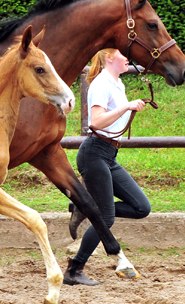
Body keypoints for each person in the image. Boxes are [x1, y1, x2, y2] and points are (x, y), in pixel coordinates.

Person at [64, 48, 151, 286]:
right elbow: (96, 121)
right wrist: (126, 107)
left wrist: (129, 106)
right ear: (109, 58)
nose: (129, 59)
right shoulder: (101, 83)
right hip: (94, 153)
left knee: (141, 207)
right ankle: (74, 269)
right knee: (106, 218)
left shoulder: (117, 84)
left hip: (109, 154)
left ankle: (85, 208)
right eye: (124, 55)